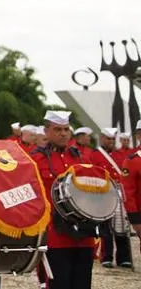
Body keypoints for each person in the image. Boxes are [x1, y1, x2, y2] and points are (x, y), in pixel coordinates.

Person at [30, 111, 96, 289]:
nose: (63, 133)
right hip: (55, 235)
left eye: (66, 129)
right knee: (58, 284)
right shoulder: (36, 159)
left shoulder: (81, 158)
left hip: (83, 235)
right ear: (46, 131)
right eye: (57, 129)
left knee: (82, 284)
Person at [91, 127, 132, 268]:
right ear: (102, 138)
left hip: (119, 192)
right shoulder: (94, 154)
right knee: (105, 227)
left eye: (113, 139)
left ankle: (124, 258)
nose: (111, 142)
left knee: (122, 226)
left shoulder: (120, 155)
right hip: (103, 192)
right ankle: (107, 257)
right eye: (108, 139)